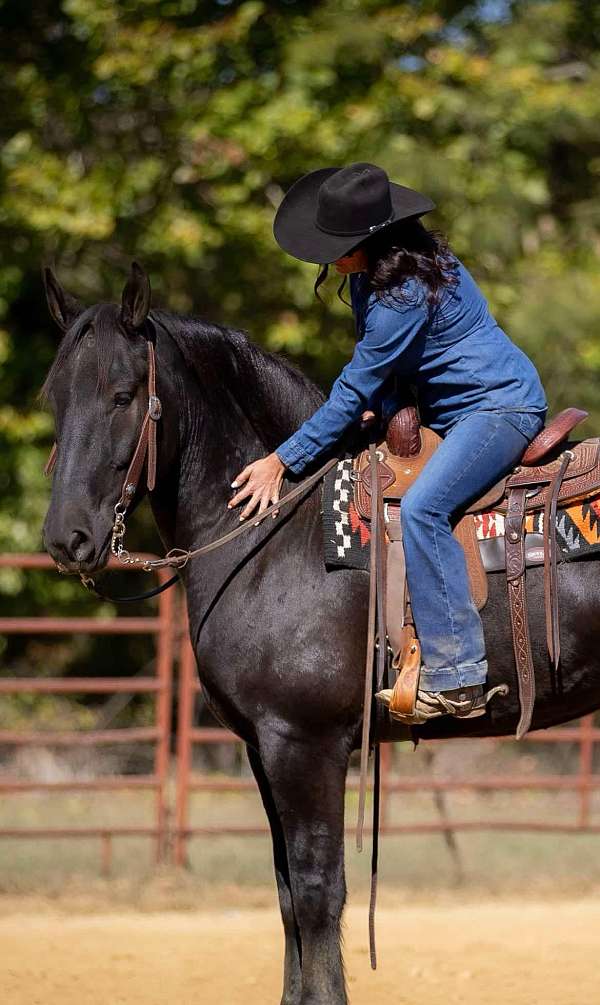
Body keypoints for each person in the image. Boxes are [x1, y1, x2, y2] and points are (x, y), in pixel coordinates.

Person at [227, 162, 547, 723]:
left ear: (375, 239)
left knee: (424, 510)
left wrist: (283, 459)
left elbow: (355, 386)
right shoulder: (375, 271)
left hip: (498, 409)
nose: (332, 258)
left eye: (340, 247)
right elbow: (381, 377)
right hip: (454, 411)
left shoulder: (403, 291)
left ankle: (458, 676)